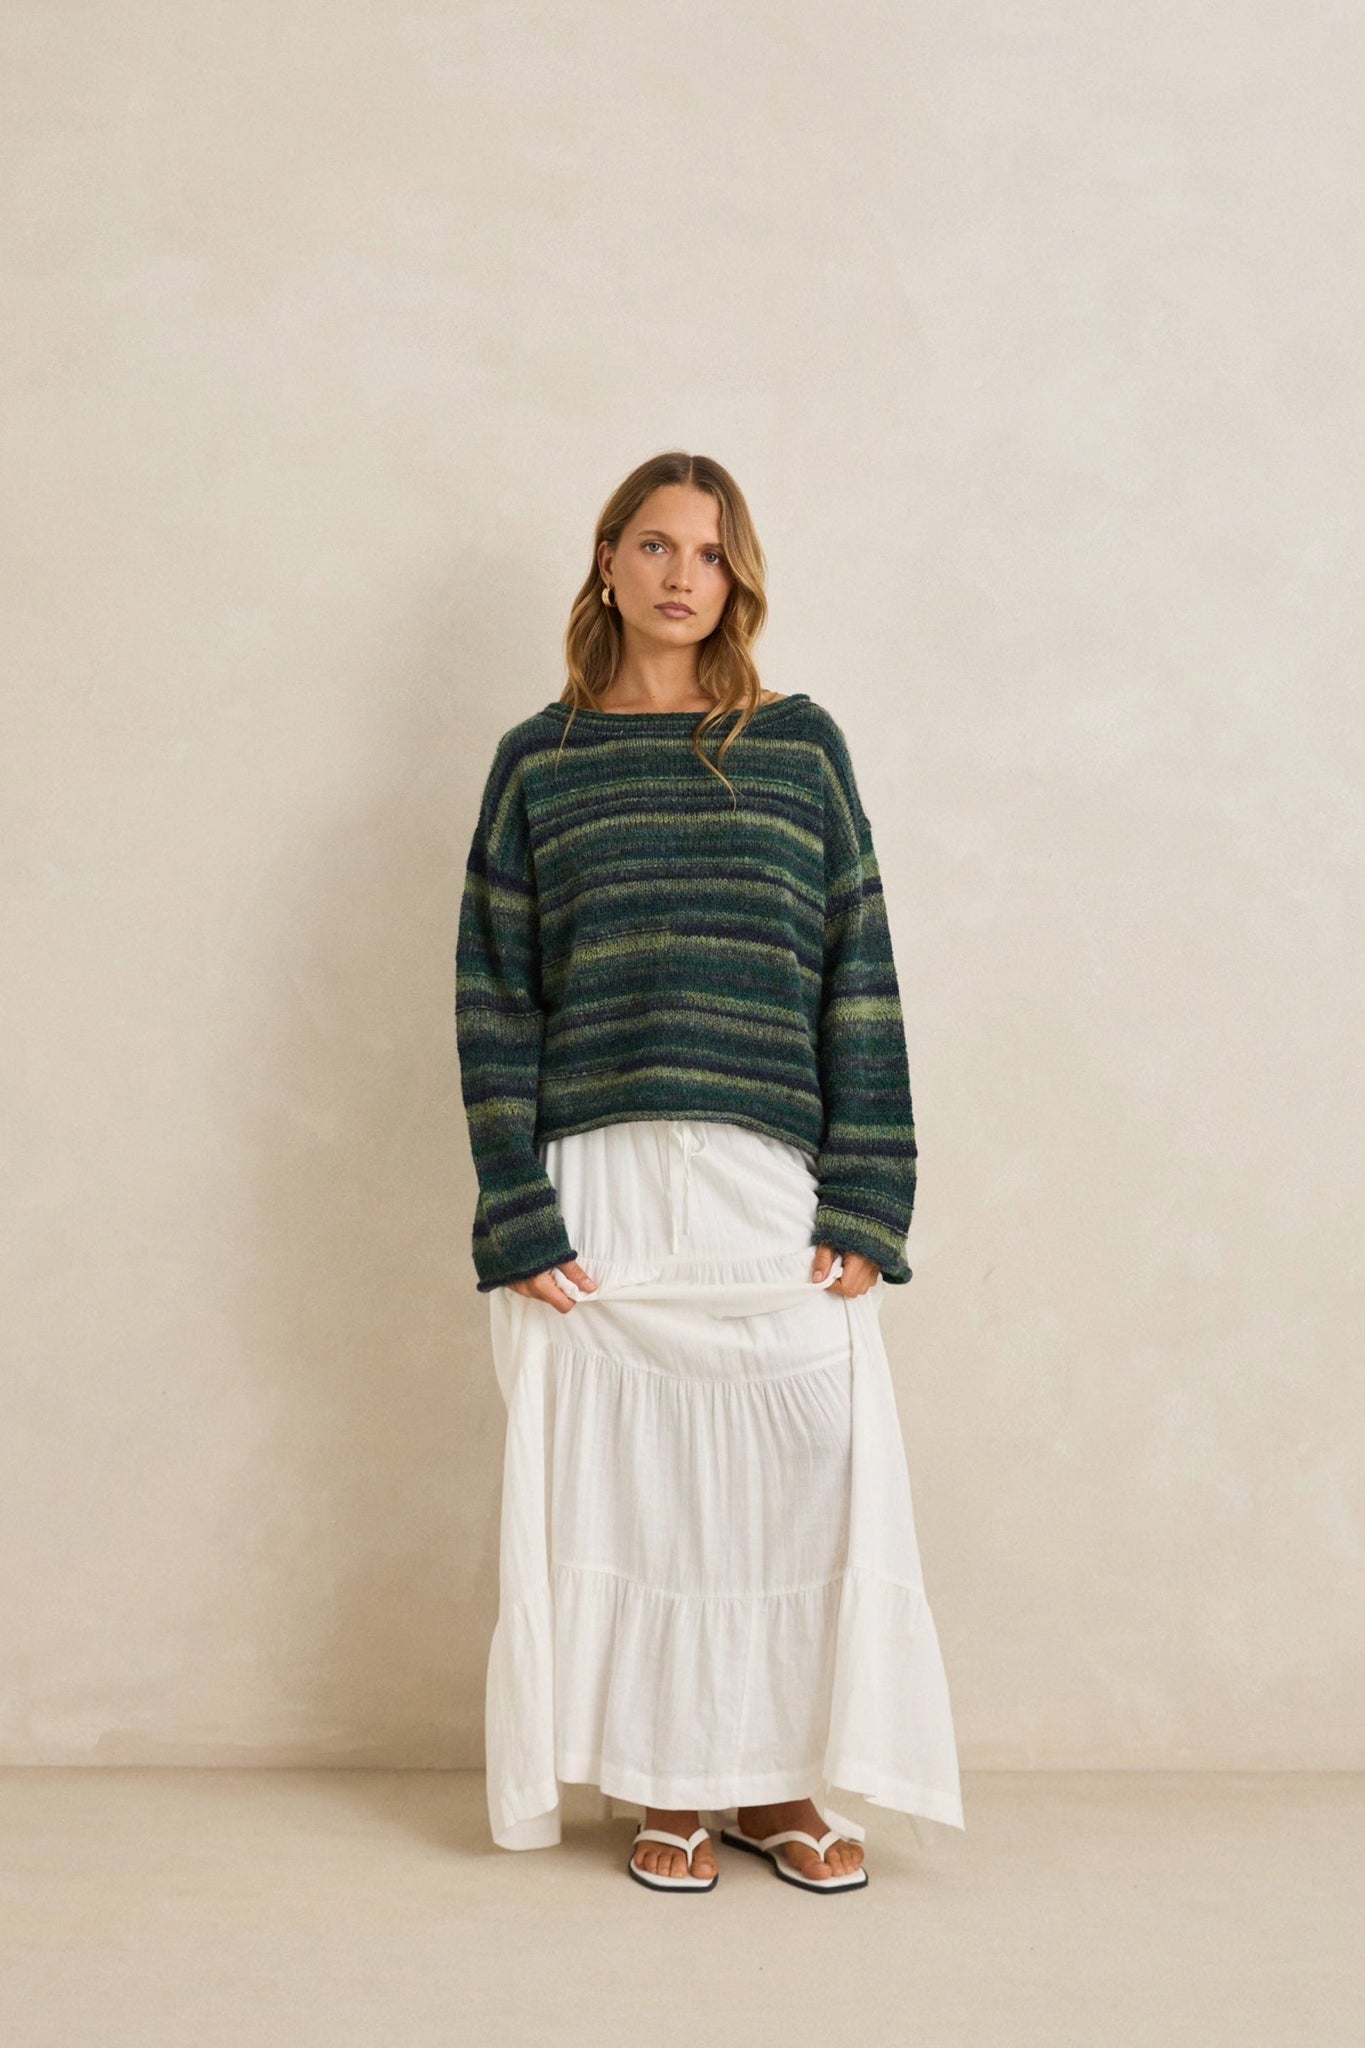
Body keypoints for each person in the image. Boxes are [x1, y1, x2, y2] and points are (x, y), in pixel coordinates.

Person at [455, 450, 963, 1895]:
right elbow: (494, 994)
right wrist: (514, 1205)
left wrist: (870, 1191)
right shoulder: (540, 760)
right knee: (634, 1486)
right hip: (600, 1171)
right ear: (606, 558)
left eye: (714, 552)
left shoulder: (797, 747)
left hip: (762, 1169)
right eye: (658, 545)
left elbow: (856, 967)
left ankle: (777, 1783)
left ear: (739, 578)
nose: (685, 575)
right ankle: (666, 1788)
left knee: (798, 1470)